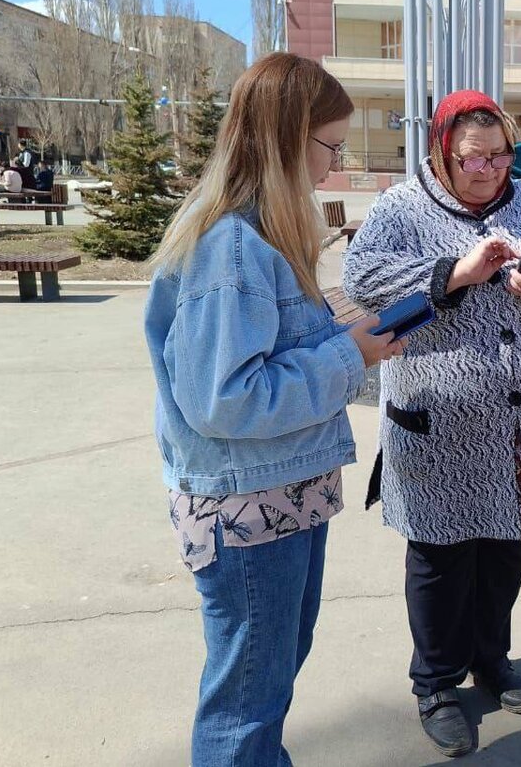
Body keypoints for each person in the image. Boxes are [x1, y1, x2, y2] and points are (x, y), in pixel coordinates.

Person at [144, 52, 404, 766]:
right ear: (289, 140)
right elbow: (226, 400)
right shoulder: (231, 248)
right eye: (331, 145)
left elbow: (271, 357)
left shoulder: (260, 237)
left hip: (278, 501)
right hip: (249, 513)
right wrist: (352, 354)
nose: (334, 163)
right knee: (246, 706)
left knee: (267, 683)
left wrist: (351, 338)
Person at [342, 90, 521, 759]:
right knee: (440, 557)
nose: (489, 169)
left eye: (499, 154)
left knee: (508, 546)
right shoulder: (402, 207)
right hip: (440, 426)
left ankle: (492, 658)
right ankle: (434, 683)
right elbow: (363, 279)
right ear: (441, 152)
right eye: (474, 158)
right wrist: (456, 273)